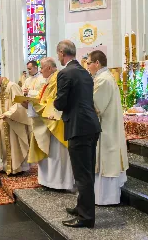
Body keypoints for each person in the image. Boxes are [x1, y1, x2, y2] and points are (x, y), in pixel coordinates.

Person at [54, 40, 101, 228]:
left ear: (61, 52)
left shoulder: (65, 73)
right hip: (91, 126)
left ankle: (86, 217)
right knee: (87, 172)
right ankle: (82, 207)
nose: (58, 56)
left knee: (82, 175)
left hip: (78, 128)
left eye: (58, 53)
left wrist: (56, 102)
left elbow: (61, 103)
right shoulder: (85, 72)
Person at [23, 57, 74, 190]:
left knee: (56, 154)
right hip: (48, 120)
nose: (40, 70)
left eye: (42, 67)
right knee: (50, 153)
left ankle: (59, 182)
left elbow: (53, 100)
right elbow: (42, 96)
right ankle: (48, 181)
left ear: (49, 68)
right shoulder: (50, 80)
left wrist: (33, 100)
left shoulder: (57, 79)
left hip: (55, 122)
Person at [86, 50, 129, 205]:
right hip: (106, 126)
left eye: (89, 63)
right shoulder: (103, 77)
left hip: (106, 128)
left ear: (97, 63)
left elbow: (96, 106)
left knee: (106, 162)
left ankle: (106, 198)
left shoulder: (103, 80)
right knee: (105, 161)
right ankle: (101, 197)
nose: (88, 66)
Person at [0, 71, 30, 175]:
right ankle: (7, 166)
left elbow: (19, 103)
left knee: (15, 144)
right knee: (5, 144)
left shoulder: (12, 86)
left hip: (14, 121)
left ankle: (18, 168)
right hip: (3, 121)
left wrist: (8, 114)